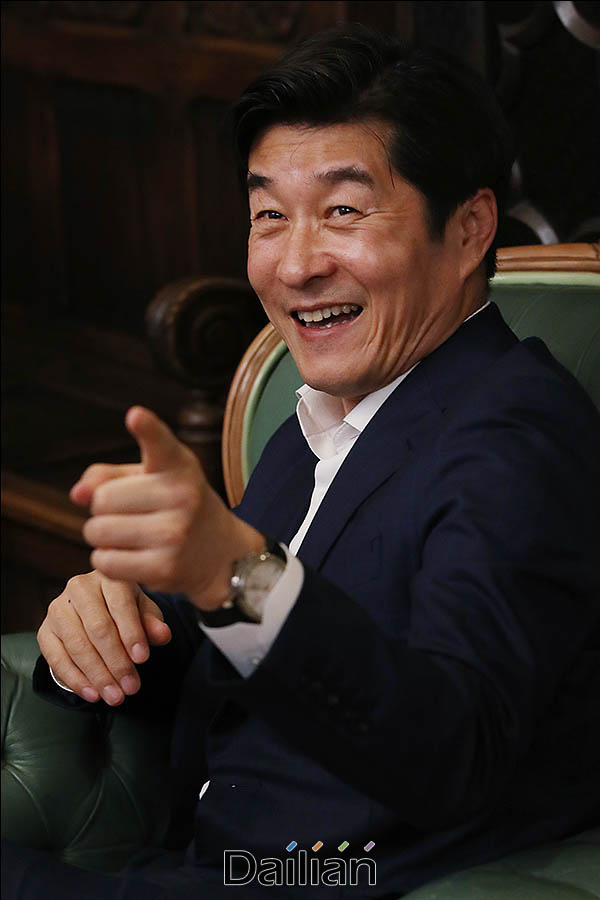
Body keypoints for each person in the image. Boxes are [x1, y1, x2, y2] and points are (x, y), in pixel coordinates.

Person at [3, 23, 599, 900]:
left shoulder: (518, 437)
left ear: (470, 228)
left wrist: (233, 571)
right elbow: (240, 642)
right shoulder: (331, 410)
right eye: (269, 217)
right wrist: (101, 628)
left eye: (343, 212)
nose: (295, 265)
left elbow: (451, 751)